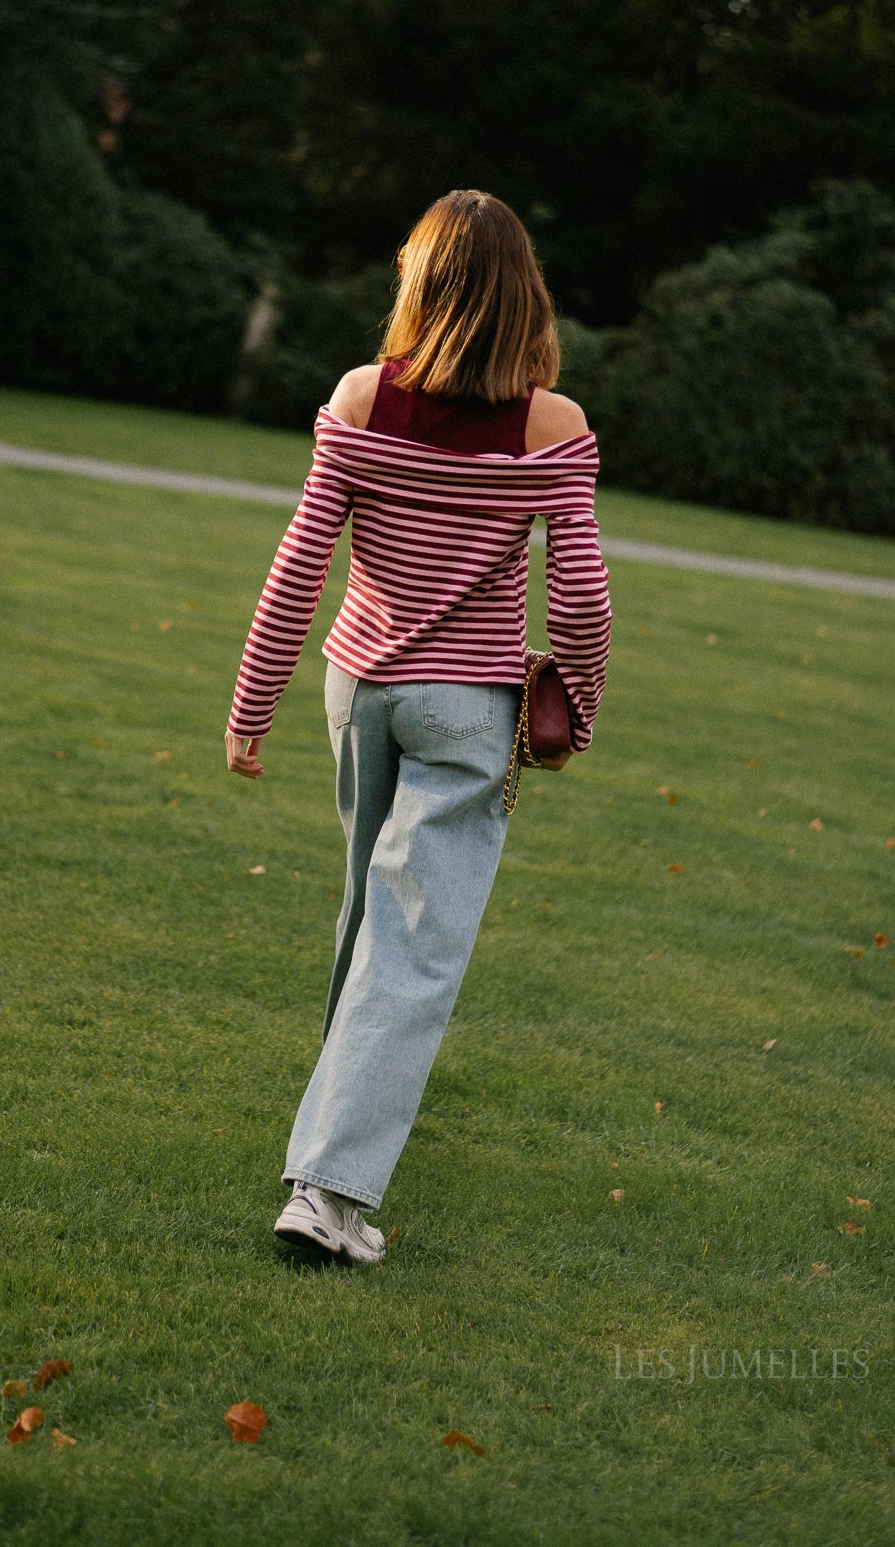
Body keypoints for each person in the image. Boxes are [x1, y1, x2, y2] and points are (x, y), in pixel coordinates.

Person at [225, 189, 612, 1264]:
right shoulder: (552, 424)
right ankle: (328, 1190)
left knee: (368, 923)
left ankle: (324, 1151)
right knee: (414, 944)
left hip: (360, 689)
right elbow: (580, 599)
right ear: (519, 292)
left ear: (419, 283)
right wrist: (572, 700)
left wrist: (250, 702)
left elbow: (301, 559)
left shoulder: (359, 396)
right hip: (465, 707)